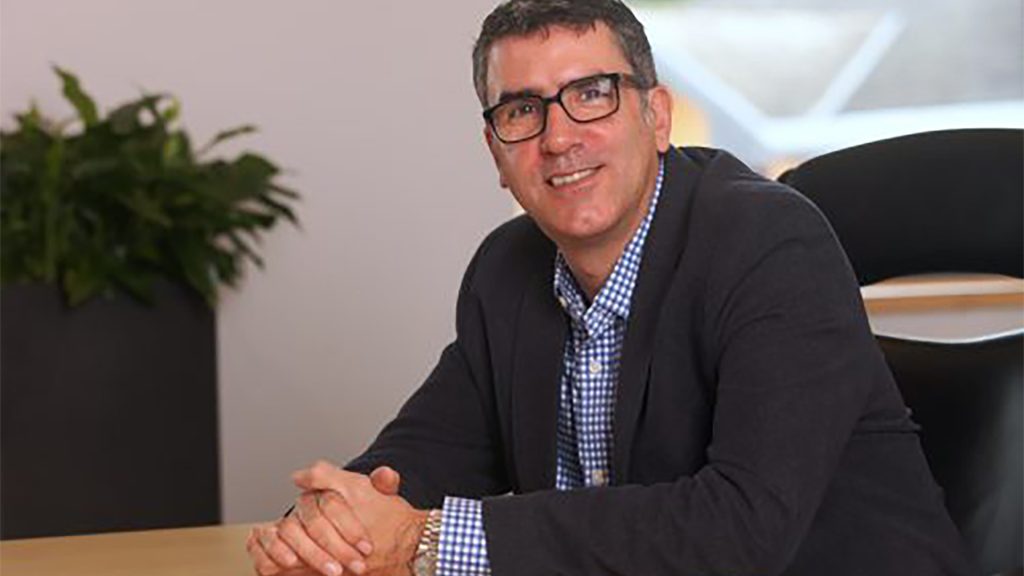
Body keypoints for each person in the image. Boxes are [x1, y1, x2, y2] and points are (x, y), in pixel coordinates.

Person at [246, 1, 975, 575]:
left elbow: (741, 527)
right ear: (496, 152)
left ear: (656, 117)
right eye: (522, 109)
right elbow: (417, 457)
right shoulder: (505, 272)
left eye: (591, 95)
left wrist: (424, 542)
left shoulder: (771, 246)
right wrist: (329, 527)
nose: (559, 138)